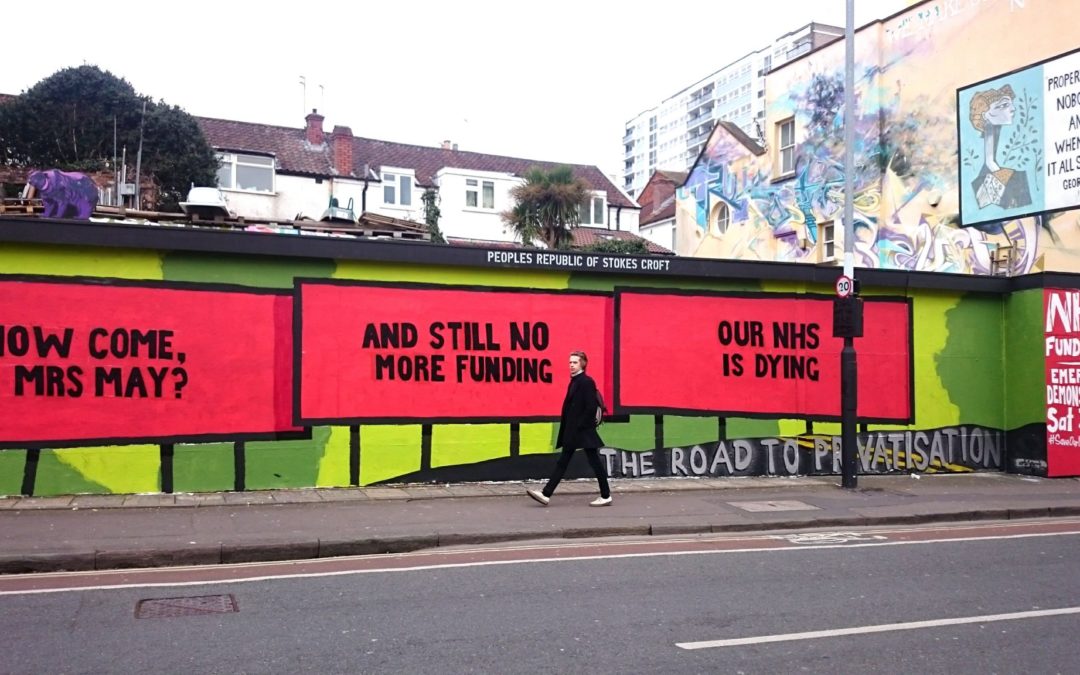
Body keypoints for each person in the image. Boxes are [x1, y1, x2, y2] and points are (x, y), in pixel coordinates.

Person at [527, 350, 612, 507]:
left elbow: (591, 406)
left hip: (582, 431)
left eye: (575, 362)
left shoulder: (586, 382)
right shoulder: (575, 381)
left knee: (593, 462)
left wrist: (580, 425)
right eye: (570, 362)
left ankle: (605, 495)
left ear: (583, 364)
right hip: (575, 431)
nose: (571, 365)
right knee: (565, 461)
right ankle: (546, 494)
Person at [968, 84, 1032, 210]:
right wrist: (1004, 180)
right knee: (1017, 184)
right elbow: (989, 160)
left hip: (991, 176)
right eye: (1003, 105)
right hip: (988, 178)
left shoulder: (995, 128)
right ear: (986, 115)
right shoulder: (990, 129)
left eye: (1010, 104)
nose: (1012, 109)